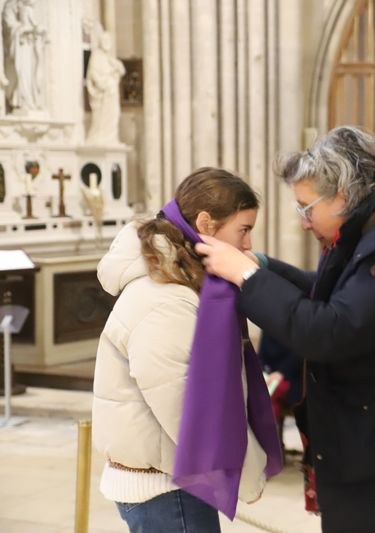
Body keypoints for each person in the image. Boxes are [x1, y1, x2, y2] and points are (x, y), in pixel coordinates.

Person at [196, 126, 375, 533]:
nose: (303, 222)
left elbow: (330, 330)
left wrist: (247, 277)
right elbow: (337, 296)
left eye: (306, 207)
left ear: (342, 194)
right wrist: (263, 266)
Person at [92, 167, 281, 533]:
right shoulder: (165, 298)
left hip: (174, 479)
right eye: (243, 230)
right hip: (163, 488)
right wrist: (246, 477)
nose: (248, 245)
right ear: (206, 223)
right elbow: (186, 407)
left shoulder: (183, 284)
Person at [86, 31, 126, 144]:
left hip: (111, 92)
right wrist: (103, 84)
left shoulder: (109, 58)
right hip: (103, 93)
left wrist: (116, 69)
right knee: (102, 117)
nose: (107, 43)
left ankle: (110, 137)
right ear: (100, 42)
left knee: (114, 114)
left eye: (108, 41)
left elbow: (122, 70)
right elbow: (93, 74)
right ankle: (101, 137)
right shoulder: (96, 56)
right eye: (105, 40)